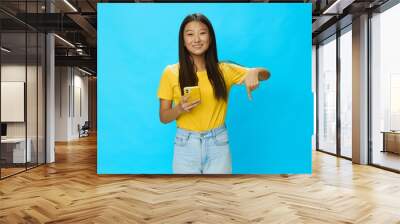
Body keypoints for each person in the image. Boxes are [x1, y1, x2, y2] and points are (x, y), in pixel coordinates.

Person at [157, 13, 270, 174]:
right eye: (190, 34)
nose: (196, 39)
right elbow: (163, 117)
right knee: (185, 197)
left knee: (218, 196)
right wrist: (179, 109)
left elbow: (266, 75)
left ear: (210, 38)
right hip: (185, 145)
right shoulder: (170, 72)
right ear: (183, 40)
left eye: (202, 33)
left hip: (218, 144)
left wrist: (254, 71)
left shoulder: (224, 70)